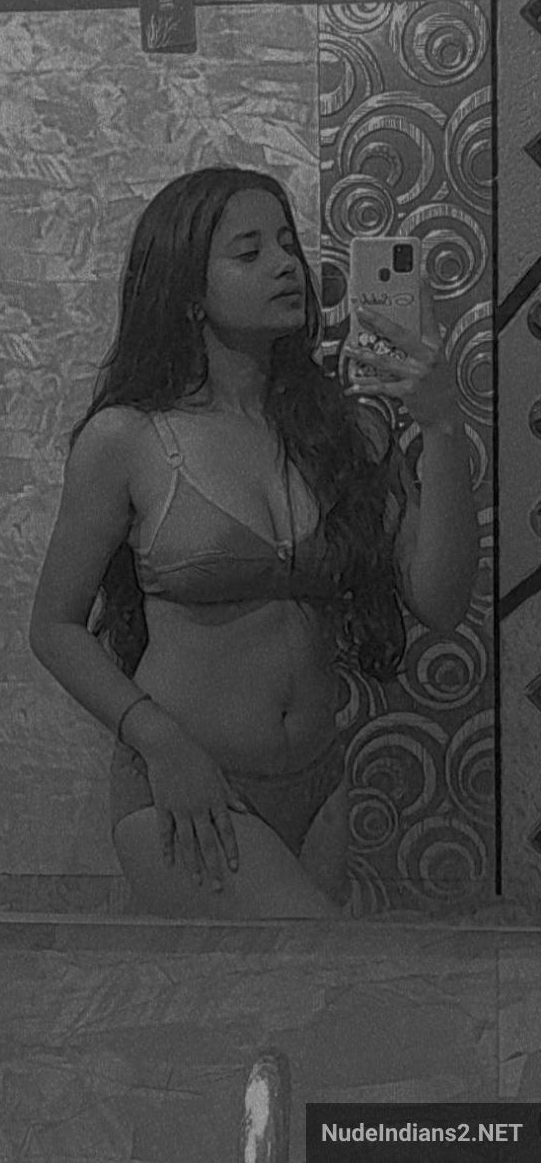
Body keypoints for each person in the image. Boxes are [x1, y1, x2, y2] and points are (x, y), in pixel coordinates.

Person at [29, 166, 478, 919]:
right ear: (188, 291)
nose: (284, 265)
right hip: (190, 783)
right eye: (249, 251)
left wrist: (443, 425)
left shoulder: (345, 429)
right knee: (329, 970)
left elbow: (441, 599)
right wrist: (161, 742)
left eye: (287, 244)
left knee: (290, 997)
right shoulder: (128, 438)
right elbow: (53, 626)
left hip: (320, 783)